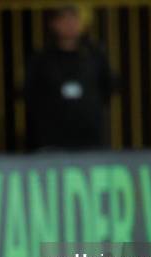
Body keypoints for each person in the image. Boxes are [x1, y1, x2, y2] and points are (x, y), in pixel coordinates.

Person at [25, 6, 113, 151]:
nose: (69, 24)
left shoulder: (95, 55)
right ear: (53, 24)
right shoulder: (42, 59)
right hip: (52, 136)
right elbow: (31, 93)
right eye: (64, 19)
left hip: (90, 133)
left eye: (73, 19)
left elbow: (107, 86)